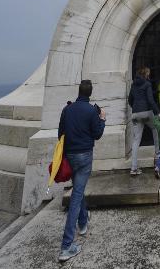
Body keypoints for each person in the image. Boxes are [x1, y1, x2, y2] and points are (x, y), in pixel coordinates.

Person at [57, 79, 106, 263]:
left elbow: (60, 134)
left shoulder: (66, 109)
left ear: (79, 91)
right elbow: (97, 134)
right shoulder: (92, 110)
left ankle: (83, 223)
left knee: (79, 188)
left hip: (70, 155)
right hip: (84, 156)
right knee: (76, 197)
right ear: (90, 93)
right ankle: (66, 246)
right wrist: (103, 119)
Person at [128, 66, 159, 175]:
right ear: (145, 74)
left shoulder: (133, 85)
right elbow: (150, 100)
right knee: (155, 129)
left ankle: (134, 168)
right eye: (148, 73)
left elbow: (130, 100)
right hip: (146, 112)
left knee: (136, 140)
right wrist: (157, 112)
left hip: (135, 114)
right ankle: (158, 153)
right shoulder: (147, 84)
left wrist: (136, 109)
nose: (149, 75)